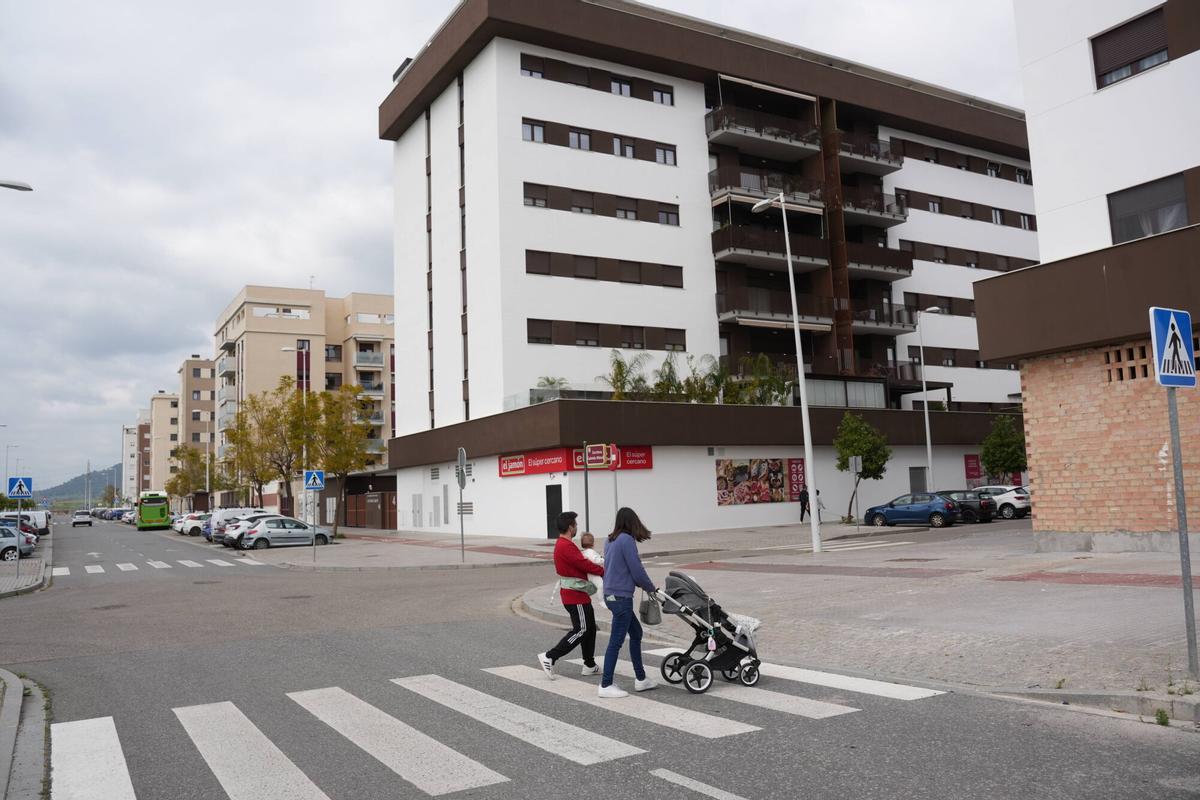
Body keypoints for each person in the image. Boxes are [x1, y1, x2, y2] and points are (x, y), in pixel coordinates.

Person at [599, 507, 658, 698]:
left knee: (636, 632)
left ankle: (641, 679)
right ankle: (606, 684)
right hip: (621, 597)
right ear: (632, 522)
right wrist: (650, 588)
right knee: (616, 641)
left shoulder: (609, 540)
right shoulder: (626, 540)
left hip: (610, 595)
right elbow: (636, 569)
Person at [538, 511, 604, 679]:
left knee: (590, 629)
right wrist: (604, 571)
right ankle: (550, 656)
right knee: (582, 629)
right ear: (570, 527)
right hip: (575, 596)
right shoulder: (565, 546)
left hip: (577, 594)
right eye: (575, 524)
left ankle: (589, 665)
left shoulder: (565, 544)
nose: (577, 527)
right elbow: (584, 564)